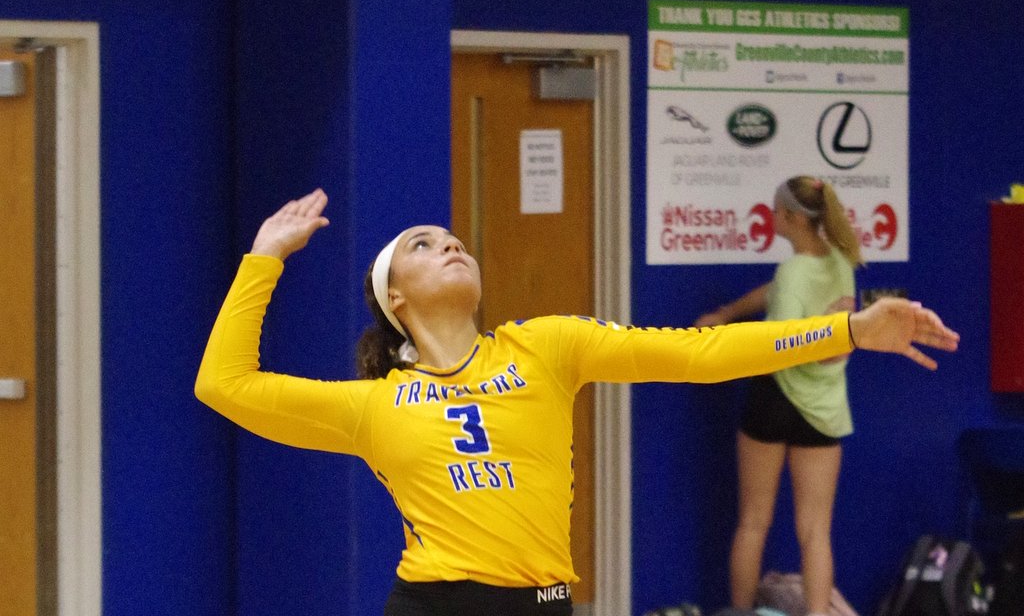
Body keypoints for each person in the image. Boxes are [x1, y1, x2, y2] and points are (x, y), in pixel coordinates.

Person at [196, 188, 958, 616]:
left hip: (542, 601)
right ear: (394, 298)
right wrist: (264, 259)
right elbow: (223, 385)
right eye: (423, 244)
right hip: (432, 604)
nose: (451, 244)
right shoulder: (372, 405)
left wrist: (849, 330)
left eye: (455, 238)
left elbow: (701, 355)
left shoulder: (546, 345)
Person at [695, 176, 865, 616]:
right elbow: (775, 293)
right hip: (824, 408)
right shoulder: (841, 263)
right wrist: (728, 313)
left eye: (775, 211)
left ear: (792, 218)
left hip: (774, 401)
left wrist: (720, 346)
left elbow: (779, 345)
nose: (770, 217)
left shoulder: (793, 272)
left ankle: (740, 612)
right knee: (816, 531)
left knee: (753, 522)